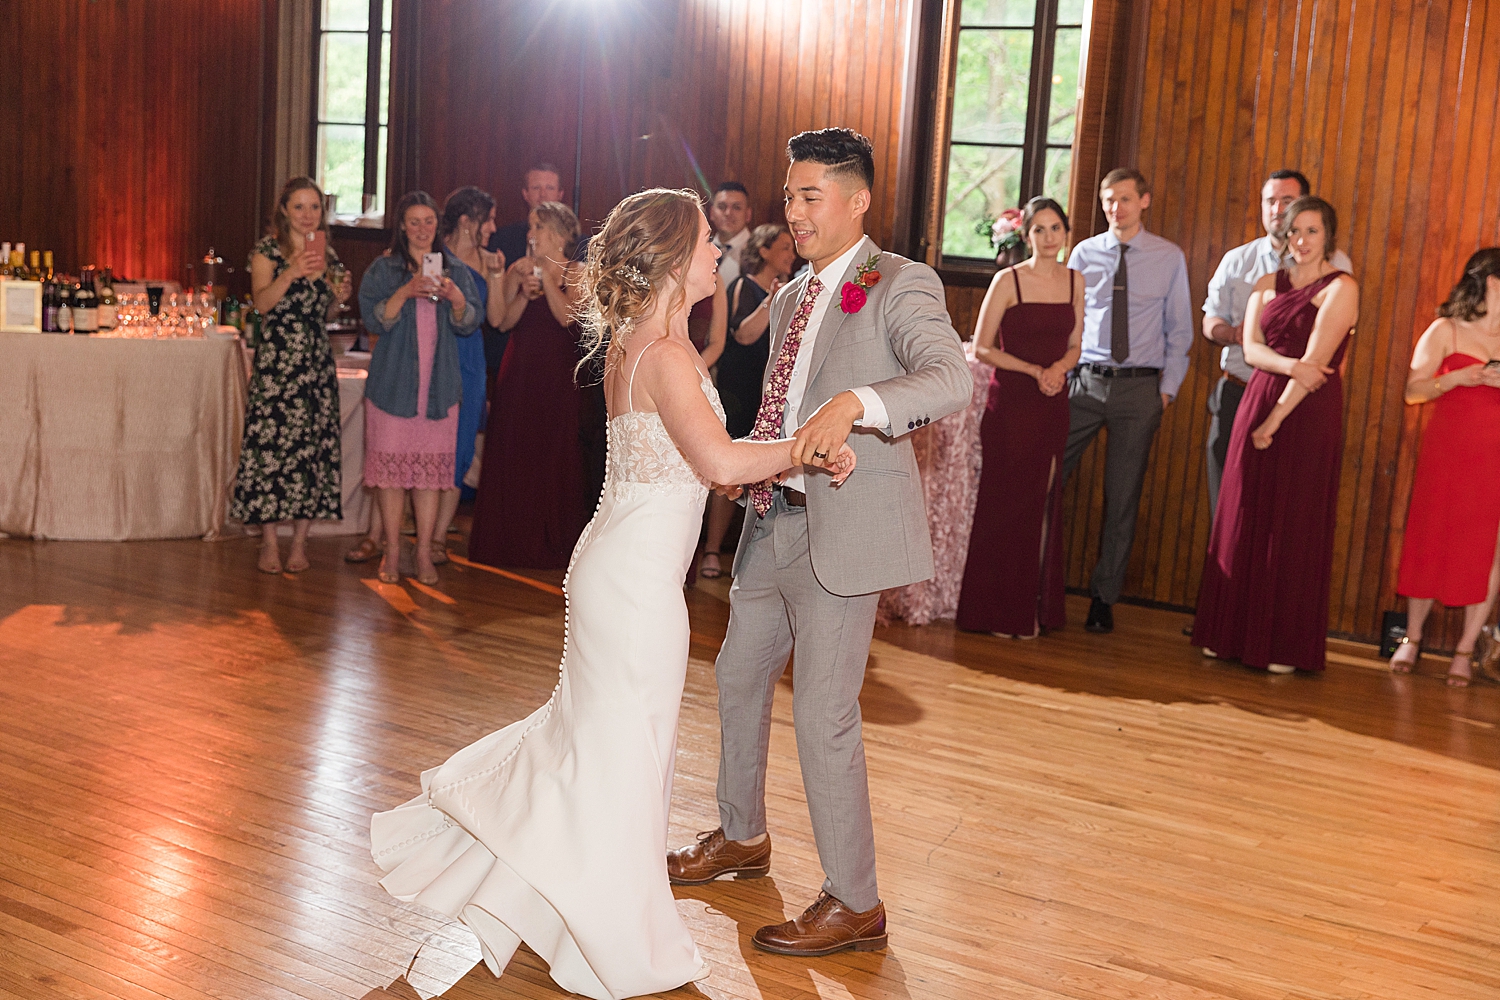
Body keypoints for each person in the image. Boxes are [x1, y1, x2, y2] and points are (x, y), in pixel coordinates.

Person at [369, 188, 854, 999]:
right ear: (671, 257)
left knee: (600, 749)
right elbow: (725, 466)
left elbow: (718, 460)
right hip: (633, 587)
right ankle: (622, 935)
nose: (715, 255)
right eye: (705, 243)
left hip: (619, 567)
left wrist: (794, 456)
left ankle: (566, 907)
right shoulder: (663, 356)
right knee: (629, 756)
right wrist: (809, 443)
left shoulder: (647, 344)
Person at [666, 128, 971, 957]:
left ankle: (856, 901)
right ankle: (741, 836)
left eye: (809, 196)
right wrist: (750, 465)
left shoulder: (900, 282)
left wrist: (859, 403)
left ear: (857, 200)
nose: (792, 212)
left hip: (847, 530)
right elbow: (783, 404)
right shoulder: (797, 295)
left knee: (824, 712)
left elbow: (951, 379)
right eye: (789, 196)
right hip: (778, 519)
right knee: (736, 673)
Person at [1192, 197, 1358, 673]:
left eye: (1313, 231)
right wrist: (1288, 369)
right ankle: (1227, 634)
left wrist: (1275, 420)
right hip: (1260, 395)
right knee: (1241, 513)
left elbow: (1318, 366)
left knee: (1293, 519)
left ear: (1328, 236)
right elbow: (1251, 348)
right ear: (1284, 236)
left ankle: (1281, 644)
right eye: (1294, 232)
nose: (1302, 241)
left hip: (1306, 412)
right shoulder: (1266, 284)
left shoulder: (1342, 287)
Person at [1063, 168, 1193, 633]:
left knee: (1121, 498)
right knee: (1046, 479)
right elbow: (1068, 317)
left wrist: (1166, 391)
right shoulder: (1083, 253)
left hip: (1139, 390)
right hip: (1085, 383)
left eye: (1124, 199)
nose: (1116, 208)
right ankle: (1033, 583)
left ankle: (1104, 598)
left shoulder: (1168, 257)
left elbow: (1180, 330)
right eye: (1108, 200)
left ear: (1145, 201)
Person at [955, 197, 1083, 637]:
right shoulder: (1008, 281)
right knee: (1004, 506)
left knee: (1042, 502)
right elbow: (983, 346)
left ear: (1065, 233)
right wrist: (1035, 371)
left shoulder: (1075, 281)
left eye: (1056, 228)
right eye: (1040, 230)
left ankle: (1032, 608)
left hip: (1052, 403)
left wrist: (1059, 371)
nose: (1049, 237)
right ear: (1026, 236)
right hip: (1010, 404)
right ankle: (994, 612)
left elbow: (1076, 343)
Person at [1203, 170, 1354, 515]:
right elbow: (1210, 322)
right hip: (1242, 388)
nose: (1277, 208)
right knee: (1230, 505)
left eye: (1287, 201)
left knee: (1290, 508)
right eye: (1270, 201)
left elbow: (1329, 340)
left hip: (1305, 399)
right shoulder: (1239, 261)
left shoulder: (1338, 270)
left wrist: (1298, 372)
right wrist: (1233, 334)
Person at [358, 191, 483, 585]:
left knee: (431, 476)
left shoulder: (456, 270)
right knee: (392, 476)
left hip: (440, 389)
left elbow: (469, 323)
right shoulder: (383, 269)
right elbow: (374, 321)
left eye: (429, 220)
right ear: (401, 226)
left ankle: (424, 550)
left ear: (438, 225)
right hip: (392, 389)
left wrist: (457, 299)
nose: (422, 228)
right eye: (414, 221)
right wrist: (406, 289)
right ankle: (392, 551)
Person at [1391, 248, 1500, 687]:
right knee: (1429, 537)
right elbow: (1412, 392)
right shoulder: (1446, 330)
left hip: (1494, 459)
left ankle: (1464, 649)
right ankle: (1412, 639)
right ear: (1485, 282)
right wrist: (1455, 379)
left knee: (1487, 551)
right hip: (1448, 453)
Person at [232, 176, 351, 574]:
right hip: (279, 365)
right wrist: (291, 273)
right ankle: (269, 544)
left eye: (314, 207)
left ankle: (299, 543)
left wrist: (339, 297)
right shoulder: (267, 252)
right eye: (299, 207)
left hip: (316, 365)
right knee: (271, 452)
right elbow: (262, 304)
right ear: (284, 210)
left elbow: (327, 315)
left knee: (311, 453)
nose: (307, 215)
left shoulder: (328, 254)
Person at [468, 201, 590, 569]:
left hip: (561, 379)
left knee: (556, 455)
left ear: (553, 233)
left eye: (535, 227)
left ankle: (554, 546)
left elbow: (568, 316)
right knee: (514, 454)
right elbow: (500, 321)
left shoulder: (579, 272)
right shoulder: (519, 268)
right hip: (519, 374)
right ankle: (508, 544)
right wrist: (513, 285)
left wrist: (547, 279)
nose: (529, 234)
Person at [699, 223, 796, 579]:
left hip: (766, 389)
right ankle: (711, 550)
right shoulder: (744, 286)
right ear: (765, 250)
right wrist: (772, 302)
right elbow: (743, 334)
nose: (791, 253)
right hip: (740, 390)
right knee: (733, 464)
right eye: (784, 247)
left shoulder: (788, 290)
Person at [440, 186, 507, 526]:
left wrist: (496, 275)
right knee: (432, 442)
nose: (493, 228)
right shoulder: (433, 255)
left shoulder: (487, 259)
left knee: (462, 446)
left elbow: (496, 319)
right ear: (467, 221)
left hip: (470, 361)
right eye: (488, 221)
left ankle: (438, 536)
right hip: (437, 354)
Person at [487, 162, 566, 269]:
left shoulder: (579, 245)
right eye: (536, 188)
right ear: (525, 194)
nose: (543, 194)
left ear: (560, 194)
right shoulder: (502, 240)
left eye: (550, 188)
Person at [709, 180, 753, 286]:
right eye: (722, 207)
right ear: (712, 212)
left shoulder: (756, 252)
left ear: (748, 214)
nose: (728, 213)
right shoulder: (700, 247)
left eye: (736, 207)